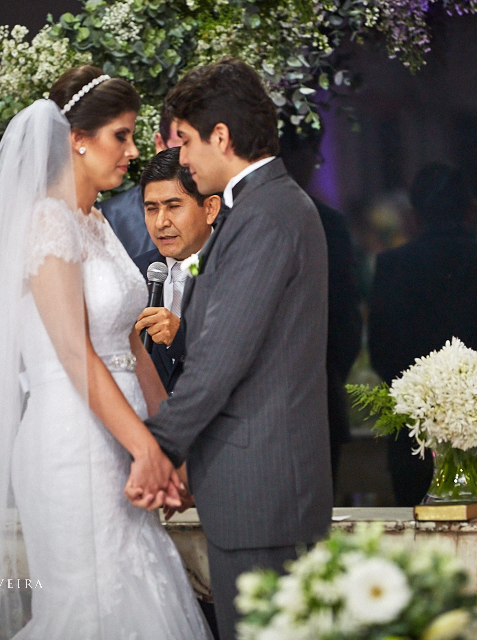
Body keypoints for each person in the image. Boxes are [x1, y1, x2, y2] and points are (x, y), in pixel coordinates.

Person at [0, 65, 212, 639]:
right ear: (78, 139)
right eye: (122, 135)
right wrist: (146, 449)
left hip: (120, 439)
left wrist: (170, 445)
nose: (133, 150)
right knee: (89, 608)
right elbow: (73, 353)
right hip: (73, 445)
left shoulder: (92, 221)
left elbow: (131, 346)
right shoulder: (47, 220)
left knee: (138, 595)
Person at [127, 58, 333, 640]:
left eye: (186, 141)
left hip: (262, 491)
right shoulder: (264, 208)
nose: (183, 158)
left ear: (221, 136)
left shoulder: (266, 215)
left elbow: (220, 358)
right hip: (260, 488)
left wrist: (158, 449)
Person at [368, 162, 477, 506]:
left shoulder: (392, 267)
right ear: (471, 208)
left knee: (420, 553)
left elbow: (381, 356)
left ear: (414, 214)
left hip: (414, 438)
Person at [279, 121, 363, 488]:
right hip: (317, 394)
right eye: (313, 155)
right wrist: (328, 374)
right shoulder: (327, 223)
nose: (315, 164)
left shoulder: (229, 214)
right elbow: (345, 319)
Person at [132, 147, 221, 393]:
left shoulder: (239, 268)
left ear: (210, 209)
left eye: (173, 206)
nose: (161, 222)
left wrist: (181, 337)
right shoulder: (131, 273)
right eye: (151, 209)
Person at [100, 105, 184, 258]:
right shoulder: (113, 217)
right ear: (160, 143)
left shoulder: (230, 210)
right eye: (185, 143)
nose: (193, 156)